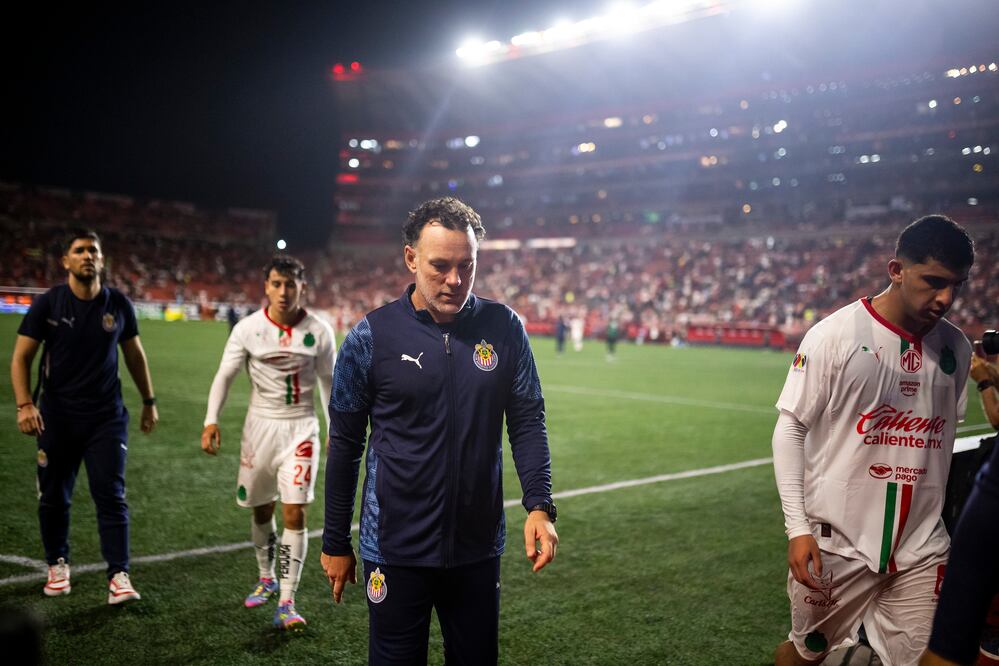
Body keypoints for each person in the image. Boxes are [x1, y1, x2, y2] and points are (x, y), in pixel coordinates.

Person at [320, 196, 559, 665]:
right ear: (410, 258)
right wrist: (334, 540)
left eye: (467, 266)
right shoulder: (371, 338)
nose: (455, 280)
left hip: (476, 548)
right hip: (394, 549)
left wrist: (539, 504)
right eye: (440, 265)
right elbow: (345, 444)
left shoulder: (506, 328)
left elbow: (528, 419)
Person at [771, 215, 975, 665]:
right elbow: (790, 428)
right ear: (896, 270)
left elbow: (942, 435)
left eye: (956, 286)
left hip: (922, 547)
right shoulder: (834, 336)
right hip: (836, 544)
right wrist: (797, 528)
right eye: (933, 281)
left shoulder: (957, 349)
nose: (945, 298)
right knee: (806, 653)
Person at [11, 229, 158, 604]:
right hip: (56, 417)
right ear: (66, 261)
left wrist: (148, 400)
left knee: (111, 495)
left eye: (93, 250)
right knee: (53, 497)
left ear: (102, 260)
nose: (87, 256)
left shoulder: (118, 304)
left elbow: (135, 356)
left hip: (106, 419)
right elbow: (21, 357)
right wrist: (25, 404)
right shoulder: (49, 304)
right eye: (79, 251)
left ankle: (119, 575)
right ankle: (57, 564)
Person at [201, 255, 335, 631]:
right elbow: (225, 375)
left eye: (290, 284)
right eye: (276, 283)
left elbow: (329, 384)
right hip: (259, 429)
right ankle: (266, 576)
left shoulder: (320, 331)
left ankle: (287, 600)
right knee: (261, 510)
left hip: (300, 429)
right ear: (266, 286)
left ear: (302, 288)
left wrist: (335, 428)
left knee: (296, 512)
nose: (283, 291)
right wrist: (211, 420)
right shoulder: (247, 329)